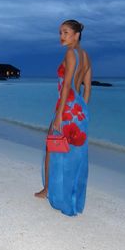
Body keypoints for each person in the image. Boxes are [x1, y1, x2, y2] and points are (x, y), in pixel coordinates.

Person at [35, 19, 92, 216]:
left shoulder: (70, 53)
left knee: (52, 148)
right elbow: (87, 89)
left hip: (66, 108)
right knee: (73, 156)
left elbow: (67, 86)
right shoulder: (86, 57)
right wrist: (81, 110)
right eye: (60, 32)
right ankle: (71, 196)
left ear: (76, 35)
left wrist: (59, 115)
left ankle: (48, 190)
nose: (62, 36)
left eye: (66, 32)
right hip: (79, 110)